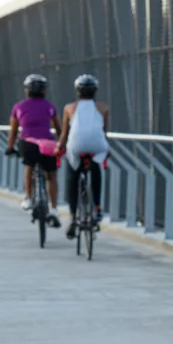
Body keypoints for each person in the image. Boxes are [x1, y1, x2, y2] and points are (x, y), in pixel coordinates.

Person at [56, 74, 110, 240]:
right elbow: (103, 132)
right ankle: (97, 208)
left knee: (72, 175)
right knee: (95, 170)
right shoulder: (103, 108)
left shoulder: (69, 108)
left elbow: (65, 134)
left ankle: (73, 216)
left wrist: (59, 147)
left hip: (77, 146)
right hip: (97, 145)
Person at [6, 73, 62, 228]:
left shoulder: (18, 107)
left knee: (29, 166)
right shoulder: (50, 107)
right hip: (47, 144)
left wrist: (10, 147)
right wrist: (60, 144)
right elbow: (58, 129)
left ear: (27, 91)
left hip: (28, 143)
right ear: (44, 91)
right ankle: (55, 209)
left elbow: (13, 131)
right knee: (51, 174)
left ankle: (28, 198)